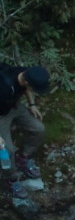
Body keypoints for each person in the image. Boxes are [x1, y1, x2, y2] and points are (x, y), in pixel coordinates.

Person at [0, 64, 50, 201]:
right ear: (27, 82)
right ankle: (11, 179)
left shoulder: (25, 73)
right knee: (7, 150)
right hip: (1, 115)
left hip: (14, 106)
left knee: (38, 129)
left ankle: (24, 158)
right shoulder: (3, 86)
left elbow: (26, 89)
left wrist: (32, 105)